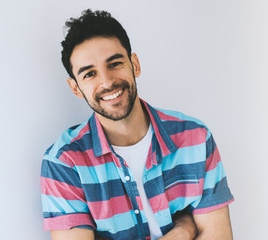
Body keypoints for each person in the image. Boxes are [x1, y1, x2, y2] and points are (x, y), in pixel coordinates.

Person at [41, 9, 234, 240]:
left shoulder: (195, 137)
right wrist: (184, 231)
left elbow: (219, 236)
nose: (107, 82)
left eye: (114, 64)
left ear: (135, 65)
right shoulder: (64, 163)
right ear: (75, 88)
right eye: (90, 74)